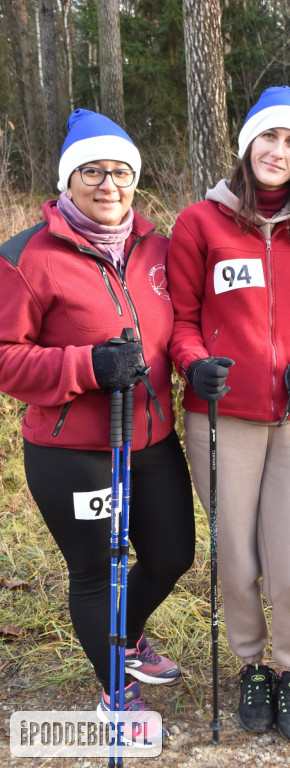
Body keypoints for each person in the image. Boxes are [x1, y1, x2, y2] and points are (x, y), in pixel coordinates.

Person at [0, 109, 195, 740]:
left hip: (151, 439)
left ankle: (125, 637)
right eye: (91, 171)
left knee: (172, 555)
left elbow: (186, 328)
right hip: (73, 450)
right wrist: (86, 364)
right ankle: (117, 692)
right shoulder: (27, 255)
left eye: (121, 172)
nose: (108, 184)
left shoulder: (159, 249)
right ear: (68, 180)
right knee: (95, 571)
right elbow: (5, 356)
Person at [167, 86, 290, 742]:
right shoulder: (199, 224)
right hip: (222, 417)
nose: (279, 151)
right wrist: (193, 364)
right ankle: (251, 666)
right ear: (247, 145)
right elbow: (183, 321)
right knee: (236, 558)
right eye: (269, 137)